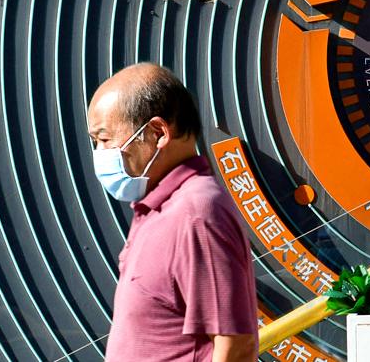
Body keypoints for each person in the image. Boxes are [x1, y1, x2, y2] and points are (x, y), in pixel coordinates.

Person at [87, 63, 257, 361]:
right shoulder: (158, 208)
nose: (100, 153)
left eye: (104, 139)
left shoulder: (197, 213)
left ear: (157, 132)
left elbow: (235, 346)